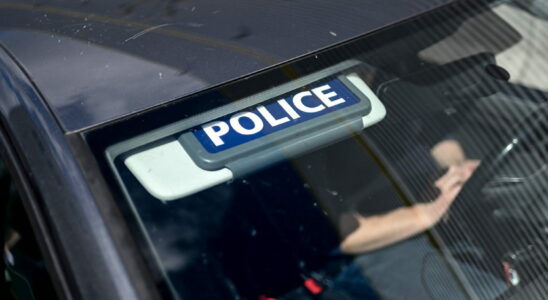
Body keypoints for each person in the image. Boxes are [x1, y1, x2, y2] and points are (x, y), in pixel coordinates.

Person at [297, 137, 506, 300]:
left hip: (421, 225)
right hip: (362, 254)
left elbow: (441, 138)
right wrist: (429, 211)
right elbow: (336, 233)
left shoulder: (391, 86)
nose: (368, 78)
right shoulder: (311, 142)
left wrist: (456, 170)